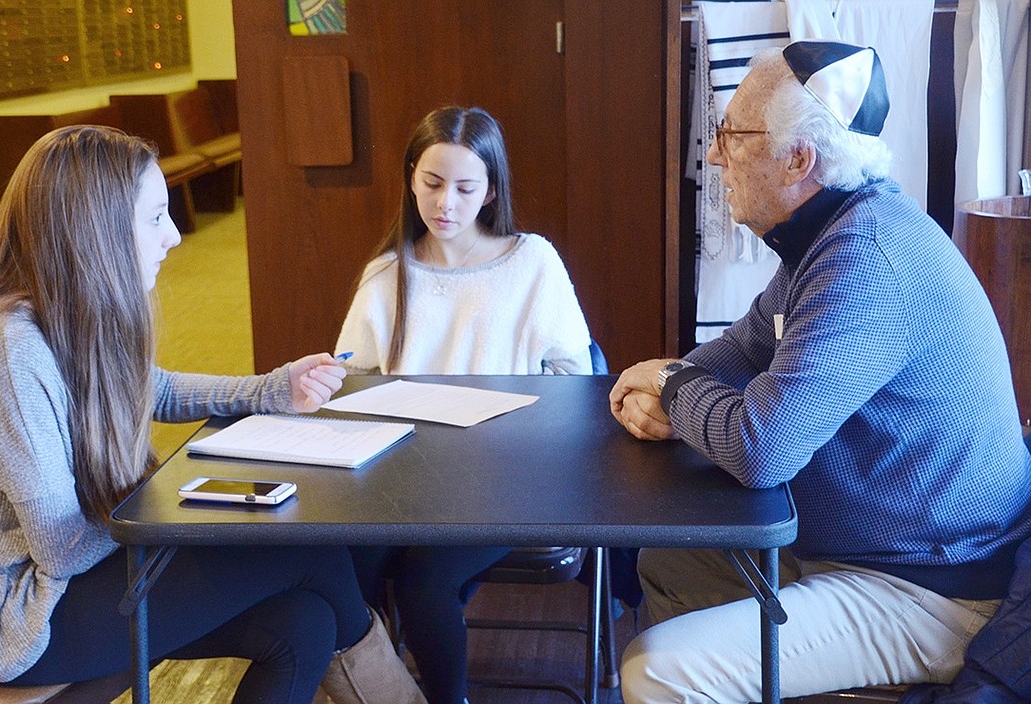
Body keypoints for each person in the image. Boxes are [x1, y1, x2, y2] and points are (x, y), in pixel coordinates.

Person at [0, 125, 425, 704]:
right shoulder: (8, 349)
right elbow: (62, 546)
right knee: (304, 544)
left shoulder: (61, 312)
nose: (175, 236)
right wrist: (184, 503)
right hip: (12, 616)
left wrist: (270, 389)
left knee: (302, 624)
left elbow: (149, 388)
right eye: (156, 217)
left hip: (61, 581)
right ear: (98, 230)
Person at [608, 41, 1031, 702]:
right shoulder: (827, 236)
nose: (715, 154)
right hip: (866, 552)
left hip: (931, 588)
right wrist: (671, 381)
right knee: (670, 559)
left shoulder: (864, 259)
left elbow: (760, 449)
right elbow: (744, 350)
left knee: (655, 669)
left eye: (731, 135)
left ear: (798, 159)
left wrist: (668, 384)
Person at [335, 106, 593, 703]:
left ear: (491, 190)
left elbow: (576, 380)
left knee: (425, 583)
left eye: (465, 188)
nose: (445, 203)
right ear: (410, 180)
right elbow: (353, 380)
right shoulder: (388, 273)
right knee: (348, 565)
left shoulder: (532, 262)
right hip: (403, 480)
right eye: (431, 183)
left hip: (508, 480)